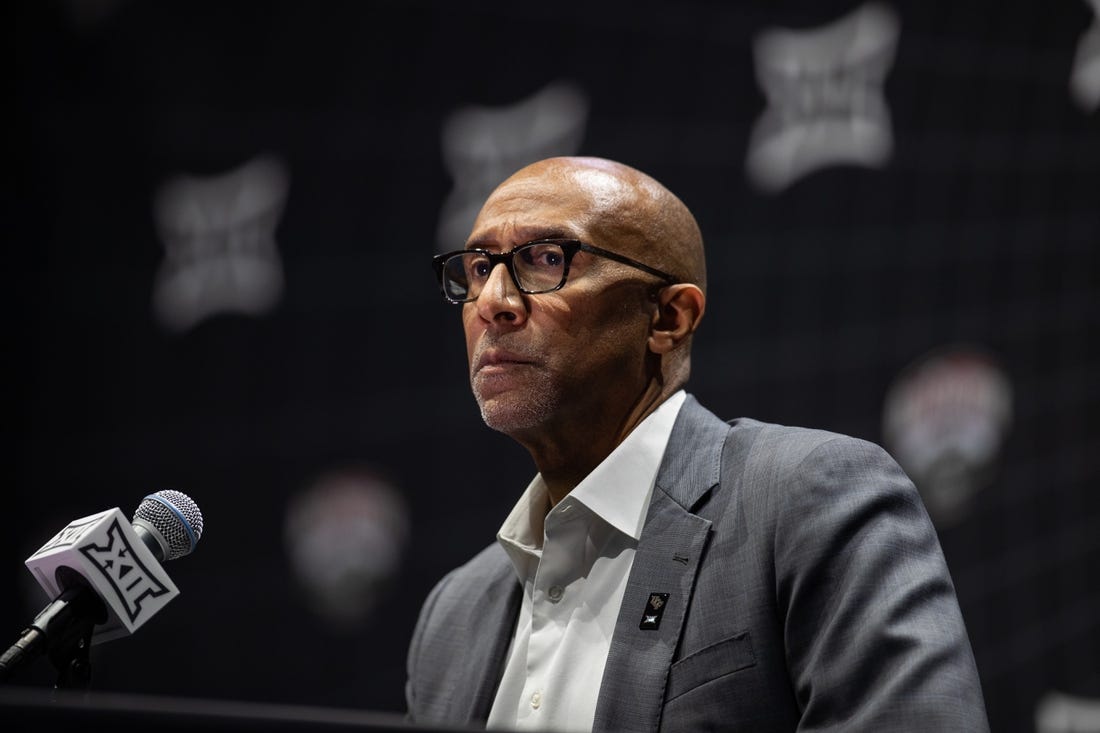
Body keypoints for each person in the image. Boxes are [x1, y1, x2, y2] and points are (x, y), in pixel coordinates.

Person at [406, 156, 989, 732]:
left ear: (669, 317)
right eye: (480, 268)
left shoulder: (809, 503)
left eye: (545, 260)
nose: (492, 302)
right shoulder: (453, 615)